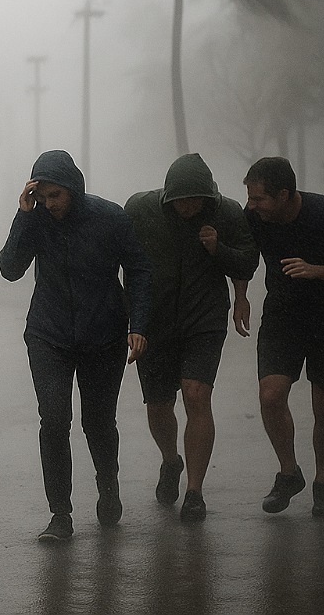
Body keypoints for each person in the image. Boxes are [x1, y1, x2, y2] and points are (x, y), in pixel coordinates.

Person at [0, 149, 152, 541]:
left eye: (56, 197)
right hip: (48, 334)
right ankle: (60, 514)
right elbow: (10, 269)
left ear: (73, 190)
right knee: (53, 420)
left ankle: (108, 485)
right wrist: (24, 216)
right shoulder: (36, 220)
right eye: (43, 196)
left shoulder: (111, 218)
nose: (50, 204)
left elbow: (138, 270)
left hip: (103, 334)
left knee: (98, 422)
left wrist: (139, 324)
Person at [124, 153, 258, 523]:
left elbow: (247, 262)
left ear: (209, 197)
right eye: (180, 201)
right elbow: (122, 259)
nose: (188, 207)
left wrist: (219, 251)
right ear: (167, 197)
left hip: (204, 319)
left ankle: (195, 492)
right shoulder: (140, 210)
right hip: (155, 321)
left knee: (196, 395)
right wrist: (128, 316)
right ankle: (171, 461)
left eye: (195, 200)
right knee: (159, 404)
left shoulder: (228, 213)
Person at [242, 157, 324, 517]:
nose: (252, 206)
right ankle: (289, 473)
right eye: (249, 198)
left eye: (259, 199)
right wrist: (240, 296)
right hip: (284, 317)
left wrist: (315, 270)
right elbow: (243, 257)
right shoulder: (255, 216)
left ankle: (323, 484)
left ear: (284, 195)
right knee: (270, 395)